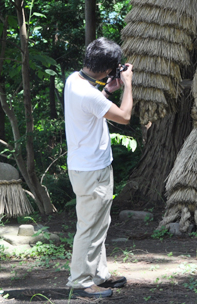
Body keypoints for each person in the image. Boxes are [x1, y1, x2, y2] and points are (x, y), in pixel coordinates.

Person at [64, 37, 133, 298]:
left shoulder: (75, 80)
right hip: (92, 170)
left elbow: (94, 106)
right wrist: (128, 85)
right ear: (107, 69)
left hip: (86, 167)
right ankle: (81, 282)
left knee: (99, 224)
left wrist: (108, 90)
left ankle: (99, 275)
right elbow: (125, 116)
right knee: (90, 227)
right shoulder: (88, 93)